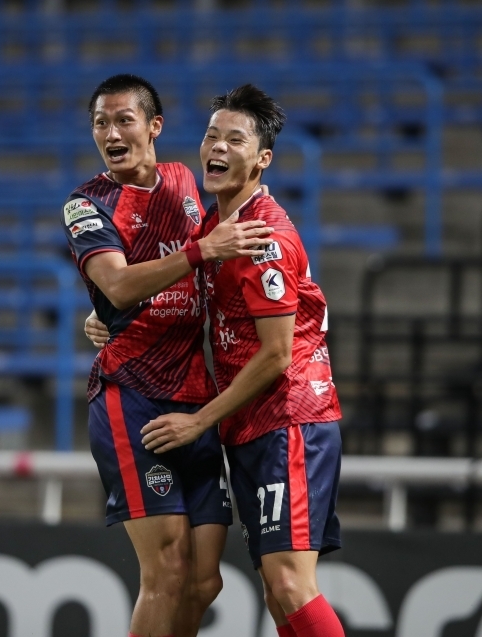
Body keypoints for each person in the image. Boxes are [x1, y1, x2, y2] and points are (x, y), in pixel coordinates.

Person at [64, 74, 274, 637]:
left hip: (194, 396)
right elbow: (119, 286)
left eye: (124, 120)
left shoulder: (185, 179)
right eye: (101, 123)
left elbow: (227, 241)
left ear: (153, 126)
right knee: (168, 570)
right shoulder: (86, 205)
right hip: (131, 397)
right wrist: (195, 253)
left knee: (205, 582)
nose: (112, 132)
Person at [140, 85, 347, 637]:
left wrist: (199, 419)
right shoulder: (217, 229)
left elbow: (278, 355)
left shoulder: (266, 238)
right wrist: (107, 323)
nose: (218, 147)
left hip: (290, 419)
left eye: (235, 139)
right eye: (212, 135)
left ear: (262, 160)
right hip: (252, 425)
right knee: (279, 595)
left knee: (289, 585)